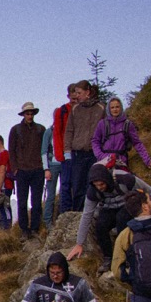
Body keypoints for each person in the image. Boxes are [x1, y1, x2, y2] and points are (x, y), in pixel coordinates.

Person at [67, 163, 151, 274]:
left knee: (122, 220)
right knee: (100, 225)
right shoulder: (93, 192)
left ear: (107, 179)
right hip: (108, 208)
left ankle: (128, 255)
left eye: (101, 184)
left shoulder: (124, 179)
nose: (100, 188)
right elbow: (87, 215)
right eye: (96, 185)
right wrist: (79, 243)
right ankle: (108, 258)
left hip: (126, 205)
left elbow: (148, 189)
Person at [8, 102, 47, 239]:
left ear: (34, 114)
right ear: (23, 114)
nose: (29, 115)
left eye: (31, 113)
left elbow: (46, 148)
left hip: (38, 170)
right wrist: (15, 169)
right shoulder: (15, 130)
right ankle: (24, 229)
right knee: (22, 202)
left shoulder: (41, 130)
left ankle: (35, 228)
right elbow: (11, 151)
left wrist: (45, 166)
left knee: (36, 202)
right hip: (22, 171)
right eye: (27, 113)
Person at [64, 81, 103, 213]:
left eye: (79, 93)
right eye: (75, 93)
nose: (77, 96)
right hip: (78, 153)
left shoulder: (101, 108)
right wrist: (67, 151)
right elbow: (69, 130)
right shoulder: (75, 109)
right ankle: (77, 215)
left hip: (95, 153)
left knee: (93, 184)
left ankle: (93, 213)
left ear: (88, 92)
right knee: (78, 185)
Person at [93, 97, 151, 171]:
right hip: (104, 161)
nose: (115, 109)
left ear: (121, 107)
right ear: (109, 109)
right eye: (112, 107)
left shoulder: (128, 124)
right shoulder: (102, 124)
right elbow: (95, 141)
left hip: (121, 161)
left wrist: (148, 161)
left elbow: (137, 143)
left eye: (117, 107)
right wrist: (101, 155)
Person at [54, 84, 79, 213]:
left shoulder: (83, 110)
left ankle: (77, 211)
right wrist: (60, 153)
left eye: (77, 96)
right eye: (73, 97)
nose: (75, 99)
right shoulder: (62, 111)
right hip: (66, 153)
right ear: (68, 96)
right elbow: (57, 133)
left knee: (78, 183)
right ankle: (65, 212)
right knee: (65, 185)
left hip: (80, 152)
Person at [42, 120, 60, 227]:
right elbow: (44, 151)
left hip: (65, 163)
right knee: (51, 195)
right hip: (52, 165)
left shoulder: (66, 130)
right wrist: (46, 169)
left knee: (64, 192)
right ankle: (47, 222)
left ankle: (61, 218)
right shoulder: (49, 132)